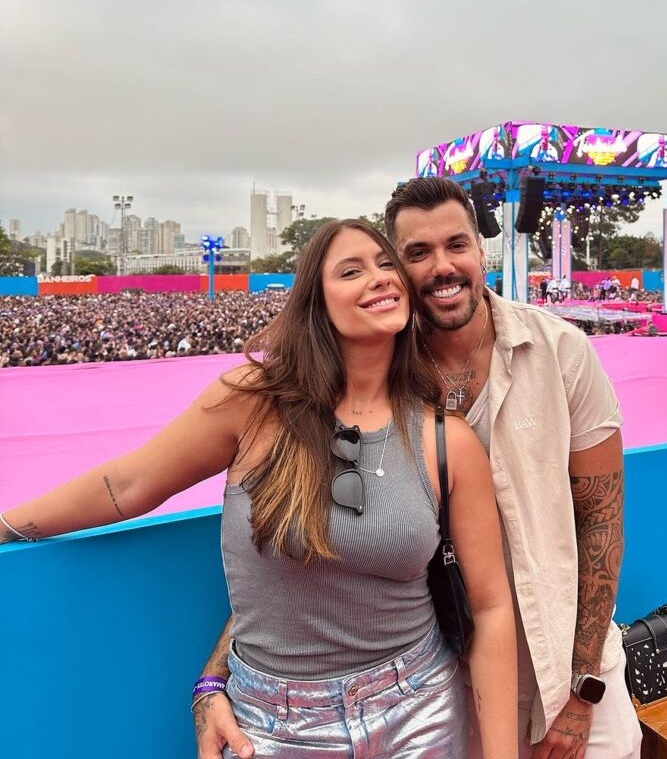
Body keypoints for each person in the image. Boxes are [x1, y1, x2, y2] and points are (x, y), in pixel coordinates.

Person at [0, 218, 517, 759]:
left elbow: (490, 609)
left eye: (387, 265)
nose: (380, 277)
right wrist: (8, 525)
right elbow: (128, 484)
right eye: (351, 270)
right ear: (315, 302)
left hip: (420, 712)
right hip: (270, 725)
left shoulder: (446, 439)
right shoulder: (252, 403)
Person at [197, 183, 642, 759]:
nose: (443, 266)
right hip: (448, 679)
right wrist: (214, 677)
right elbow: (307, 547)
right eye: (416, 253)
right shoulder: (362, 390)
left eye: (457, 244)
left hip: (567, 664)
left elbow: (601, 524)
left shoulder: (563, 352)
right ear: (397, 271)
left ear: (482, 250)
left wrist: (582, 689)